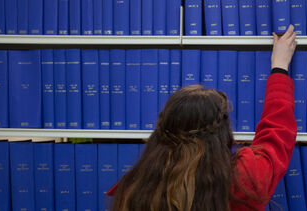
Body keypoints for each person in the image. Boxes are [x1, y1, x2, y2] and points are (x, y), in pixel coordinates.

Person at [107, 25, 297, 211]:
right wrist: (279, 67)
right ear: (222, 132)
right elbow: (276, 135)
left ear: (162, 129)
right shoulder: (242, 180)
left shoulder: (136, 190)